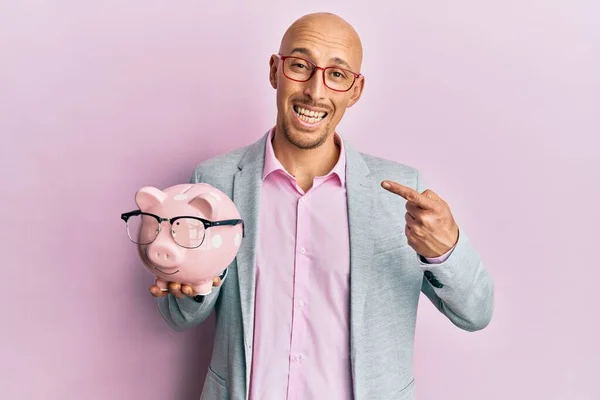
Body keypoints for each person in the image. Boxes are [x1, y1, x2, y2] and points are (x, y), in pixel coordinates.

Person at [152, 12, 494, 400]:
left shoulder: (401, 195)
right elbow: (178, 317)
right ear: (274, 72)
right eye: (300, 66)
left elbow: (475, 313)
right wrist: (193, 281)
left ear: (355, 90)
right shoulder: (216, 181)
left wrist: (446, 251)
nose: (315, 92)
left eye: (337, 74)